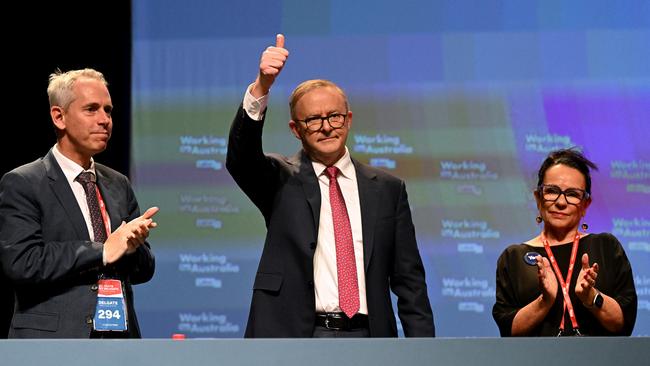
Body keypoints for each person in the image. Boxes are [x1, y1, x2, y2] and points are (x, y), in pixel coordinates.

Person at [226, 34, 434, 338]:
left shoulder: (388, 189)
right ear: (295, 130)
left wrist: (425, 352)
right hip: (298, 337)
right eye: (312, 120)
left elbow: (410, 281)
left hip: (369, 336)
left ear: (348, 120)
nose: (326, 127)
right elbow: (241, 159)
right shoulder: (280, 178)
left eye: (334, 117)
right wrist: (262, 86)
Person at [0, 68, 158, 338]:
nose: (104, 120)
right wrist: (102, 251)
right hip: (53, 342)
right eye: (91, 109)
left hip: (117, 340)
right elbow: (23, 262)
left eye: (108, 110)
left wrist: (133, 248)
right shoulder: (24, 182)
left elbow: (144, 270)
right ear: (59, 117)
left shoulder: (118, 184)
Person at [493, 148, 637, 336]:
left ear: (585, 205)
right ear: (538, 198)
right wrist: (545, 301)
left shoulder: (606, 248)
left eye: (572, 194)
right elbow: (508, 331)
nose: (561, 202)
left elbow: (624, 323)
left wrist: (591, 297)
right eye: (552, 191)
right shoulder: (513, 258)